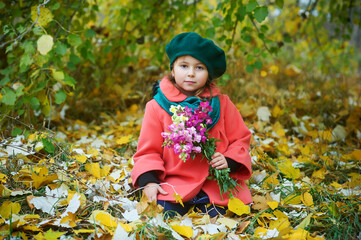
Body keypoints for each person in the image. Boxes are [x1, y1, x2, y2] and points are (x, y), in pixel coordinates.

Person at [131, 32, 252, 218]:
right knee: (164, 216)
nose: (191, 73)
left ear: (208, 75)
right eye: (184, 66)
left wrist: (229, 160)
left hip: (214, 186)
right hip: (175, 184)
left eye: (199, 67)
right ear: (172, 70)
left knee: (218, 220)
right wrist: (149, 182)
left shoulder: (222, 104)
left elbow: (240, 139)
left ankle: (212, 208)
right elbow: (149, 151)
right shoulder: (156, 107)